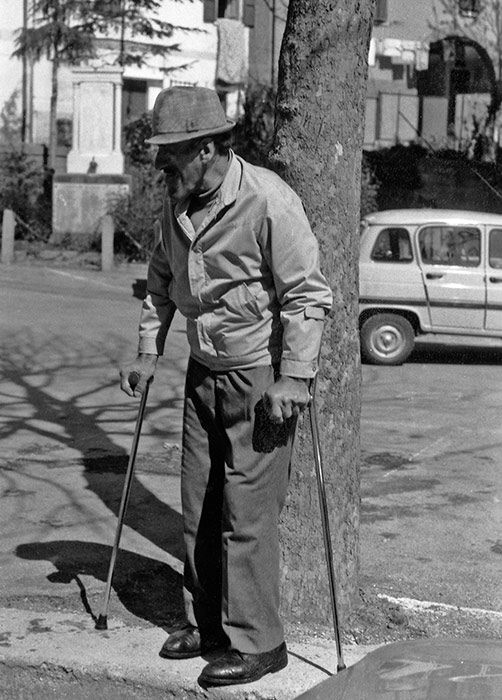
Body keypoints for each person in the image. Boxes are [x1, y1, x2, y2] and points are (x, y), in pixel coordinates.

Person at [120, 86, 332, 687]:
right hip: (202, 374)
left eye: (171, 154)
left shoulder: (267, 199)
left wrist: (295, 377)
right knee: (201, 506)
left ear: (207, 148)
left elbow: (307, 294)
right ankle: (208, 626)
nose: (161, 166)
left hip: (261, 380)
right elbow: (160, 282)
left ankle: (261, 643)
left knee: (247, 515)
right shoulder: (177, 206)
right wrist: (147, 352)